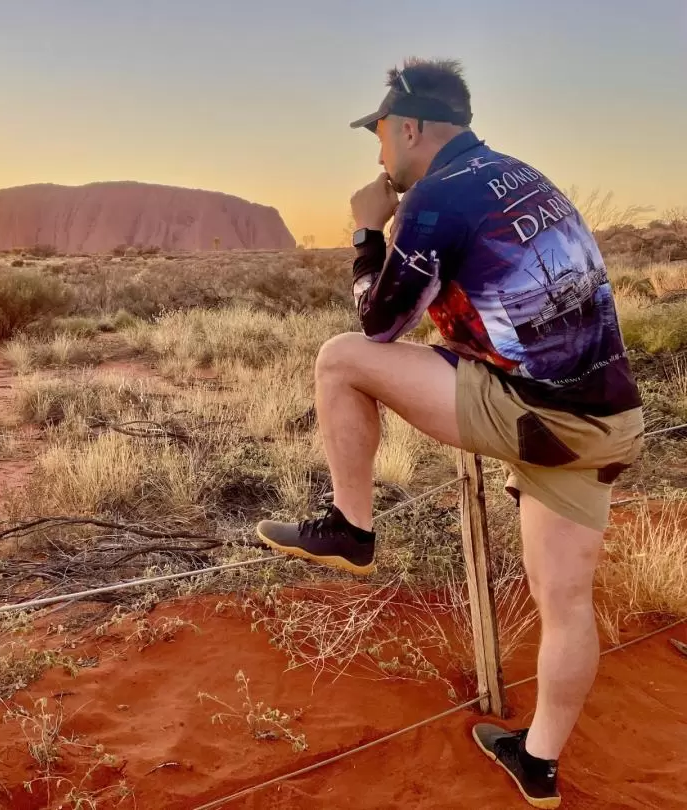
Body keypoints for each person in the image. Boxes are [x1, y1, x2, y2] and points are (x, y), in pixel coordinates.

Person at [256, 57, 644, 809]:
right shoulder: (522, 176)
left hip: (537, 415)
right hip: (608, 420)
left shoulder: (436, 198)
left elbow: (380, 323)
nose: (377, 154)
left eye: (378, 137)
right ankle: (539, 766)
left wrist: (368, 228)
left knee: (339, 361)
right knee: (567, 603)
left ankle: (351, 528)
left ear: (409, 128)